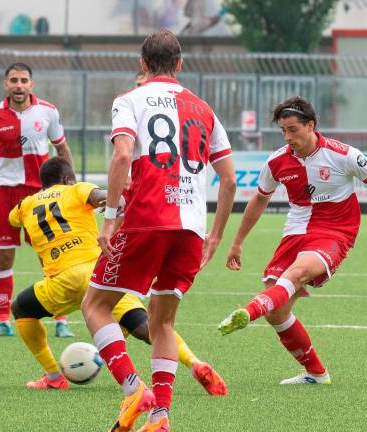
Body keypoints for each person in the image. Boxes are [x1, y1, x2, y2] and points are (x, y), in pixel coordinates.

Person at [81, 30, 237, 432]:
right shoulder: (204, 109)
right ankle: (161, 416)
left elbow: (122, 154)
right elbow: (230, 181)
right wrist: (216, 235)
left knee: (95, 306)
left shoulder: (128, 101)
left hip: (147, 217)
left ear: (143, 64)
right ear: (180, 64)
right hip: (191, 227)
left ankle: (134, 388)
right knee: (162, 322)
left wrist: (111, 216)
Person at [218, 96, 367, 385]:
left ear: (311, 125)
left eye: (293, 130)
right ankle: (316, 373)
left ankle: (248, 312)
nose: (288, 137)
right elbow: (260, 199)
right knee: (277, 312)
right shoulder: (277, 161)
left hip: (335, 230)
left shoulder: (343, 155)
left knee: (295, 273)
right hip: (295, 231)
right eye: (283, 131)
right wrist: (237, 242)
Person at [10, 157, 228, 397]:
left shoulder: (25, 206)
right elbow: (98, 195)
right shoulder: (76, 189)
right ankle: (195, 363)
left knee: (21, 308)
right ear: (66, 180)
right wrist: (116, 199)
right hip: (96, 274)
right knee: (146, 325)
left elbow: (13, 218)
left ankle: (53, 377)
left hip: (60, 281)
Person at [0, 62, 75, 338]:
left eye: (23, 80)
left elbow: (61, 148)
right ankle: (3, 322)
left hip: (40, 194)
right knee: (3, 258)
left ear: (31, 84)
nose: (18, 85)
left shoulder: (48, 112)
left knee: (53, 256)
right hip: (6, 194)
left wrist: (71, 185)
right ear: (5, 84)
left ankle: (61, 320)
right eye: (13, 80)